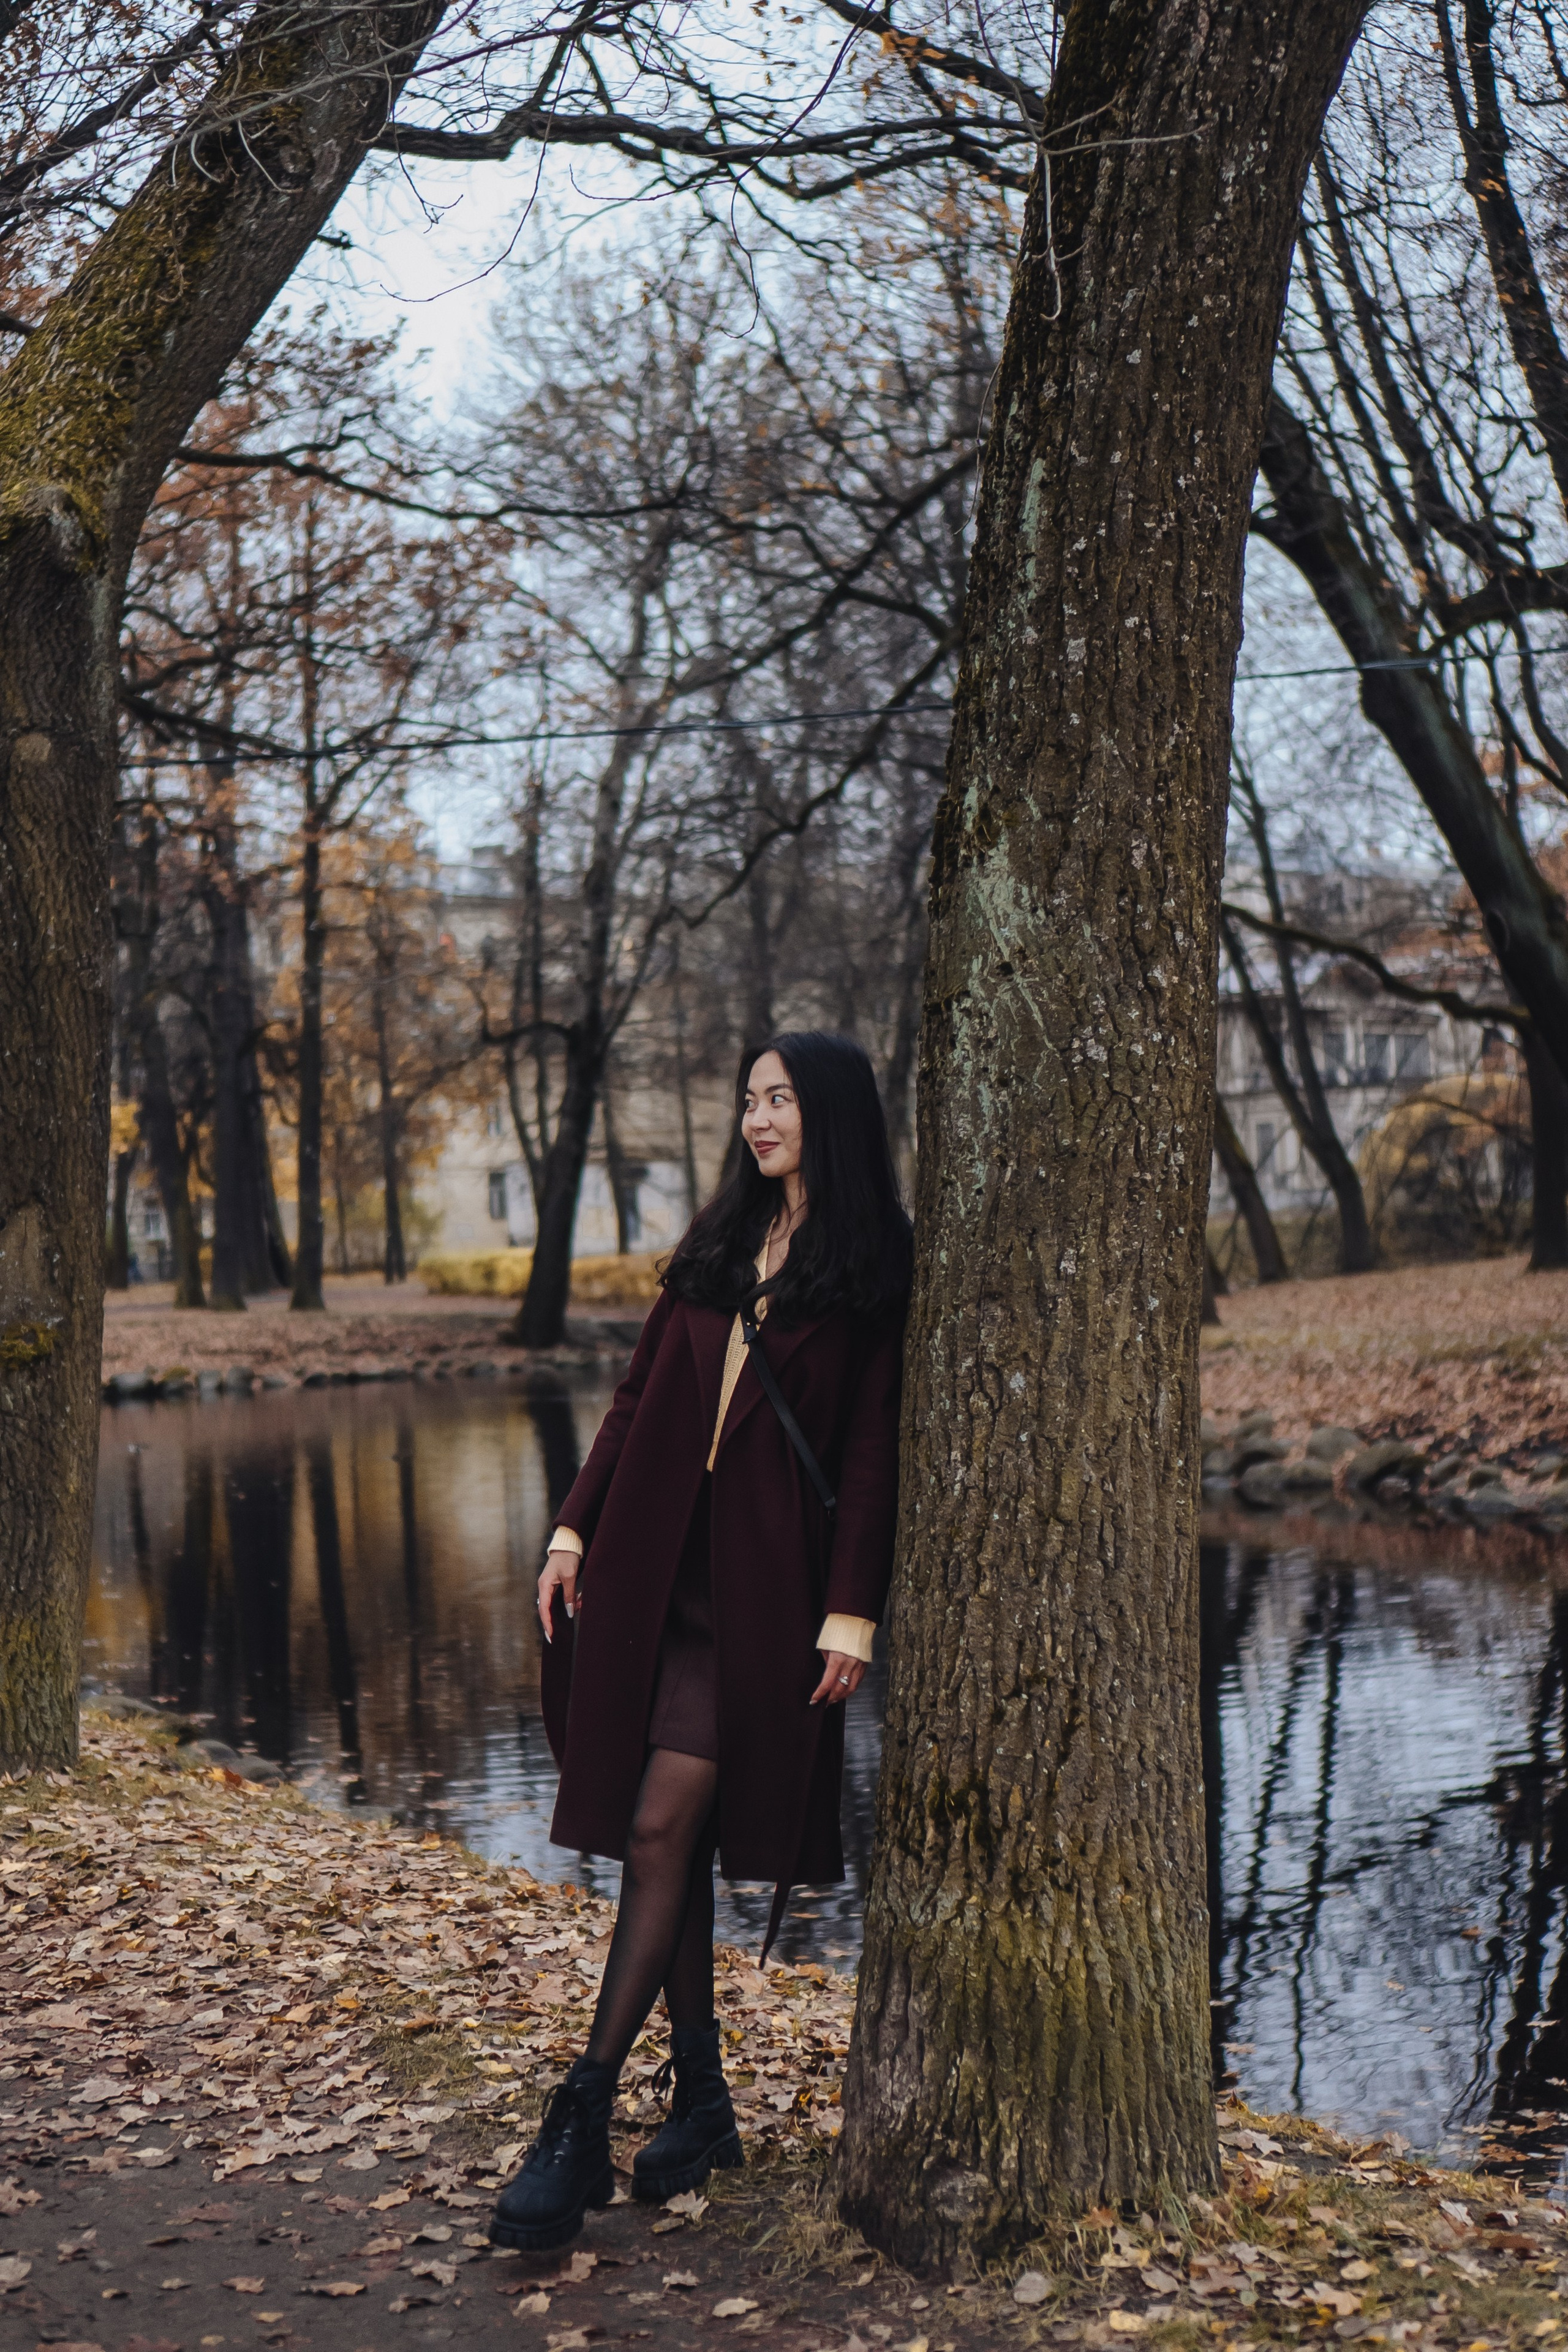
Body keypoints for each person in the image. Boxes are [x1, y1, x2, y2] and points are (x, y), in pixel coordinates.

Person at [489, 1031, 912, 2253]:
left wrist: (852, 1609)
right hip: (654, 1576)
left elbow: (872, 1450)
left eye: (777, 1099)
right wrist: (571, 1528)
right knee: (650, 1828)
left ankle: (580, 2113)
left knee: (666, 1824)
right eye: (747, 1099)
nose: (756, 1118)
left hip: (769, 1598)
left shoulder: (874, 1263)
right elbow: (633, 1403)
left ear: (826, 1113)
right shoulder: (719, 1247)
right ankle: (702, 2105)